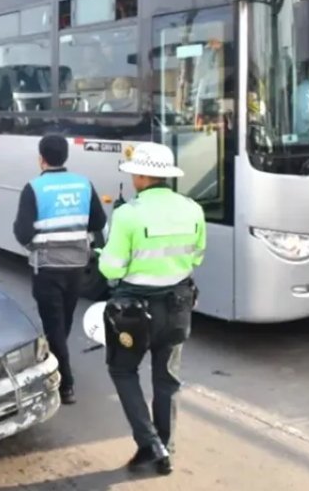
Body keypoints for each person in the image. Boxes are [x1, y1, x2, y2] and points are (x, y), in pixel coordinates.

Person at [98, 142, 205, 476]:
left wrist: (103, 249)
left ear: (143, 175)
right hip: (178, 307)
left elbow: (111, 270)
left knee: (122, 370)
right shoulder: (192, 208)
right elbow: (196, 256)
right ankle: (166, 449)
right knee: (167, 380)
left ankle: (150, 444)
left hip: (134, 312)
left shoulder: (127, 214)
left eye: (134, 174)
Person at [13, 134, 107, 405]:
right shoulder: (83, 184)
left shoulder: (34, 188)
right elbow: (98, 221)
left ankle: (65, 383)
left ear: (41, 158)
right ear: (65, 156)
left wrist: (34, 244)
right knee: (63, 320)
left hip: (47, 267)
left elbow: (22, 231)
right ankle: (58, 358)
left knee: (54, 323)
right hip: (77, 266)